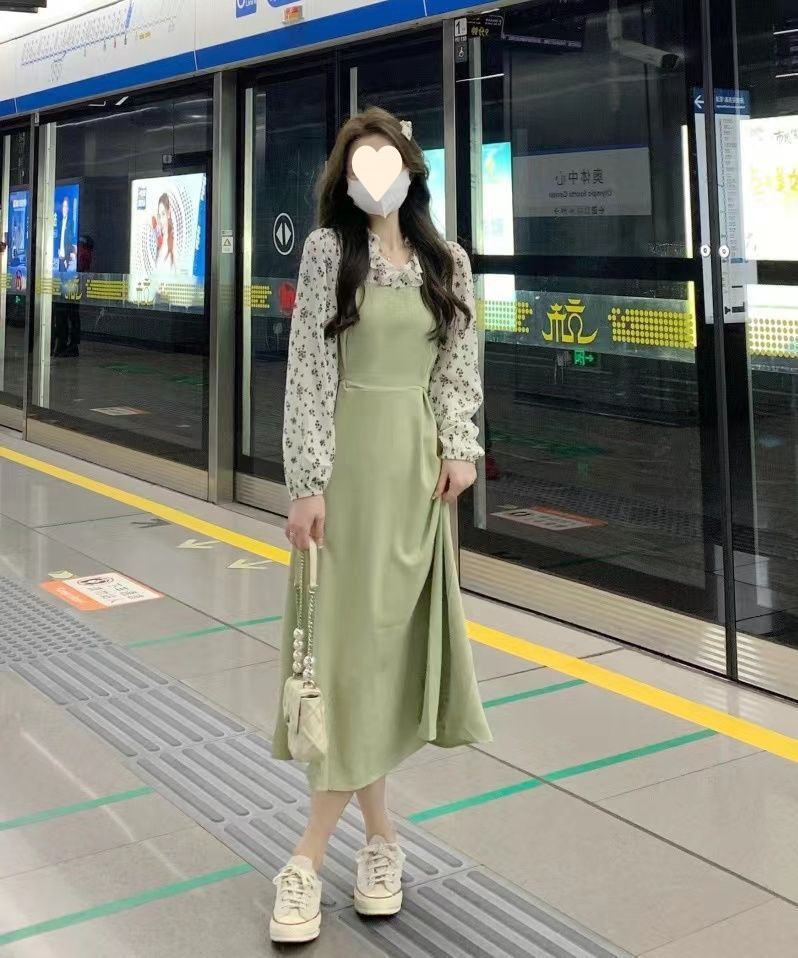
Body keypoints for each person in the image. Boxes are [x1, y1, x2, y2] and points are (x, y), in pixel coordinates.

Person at [270, 106, 493, 945]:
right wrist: (307, 482)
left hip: (417, 477)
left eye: (385, 160)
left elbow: (459, 364)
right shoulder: (330, 252)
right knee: (349, 658)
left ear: (409, 170)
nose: (374, 176)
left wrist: (461, 444)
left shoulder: (447, 261)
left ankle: (378, 842)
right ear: (345, 178)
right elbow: (308, 370)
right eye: (359, 164)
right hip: (348, 472)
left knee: (384, 660)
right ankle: (313, 854)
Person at [154, 193, 176, 271]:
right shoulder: (159, 241)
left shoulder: (174, 241)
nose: (161, 220)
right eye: (159, 215)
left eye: (163, 214)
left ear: (168, 213)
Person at [55, 195, 76, 273]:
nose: (64, 209)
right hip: (60, 254)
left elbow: (72, 238)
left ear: (68, 209)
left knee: (67, 276)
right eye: (63, 206)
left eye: (66, 206)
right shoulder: (59, 222)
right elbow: (57, 237)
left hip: (67, 254)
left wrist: (72, 252)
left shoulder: (71, 222)